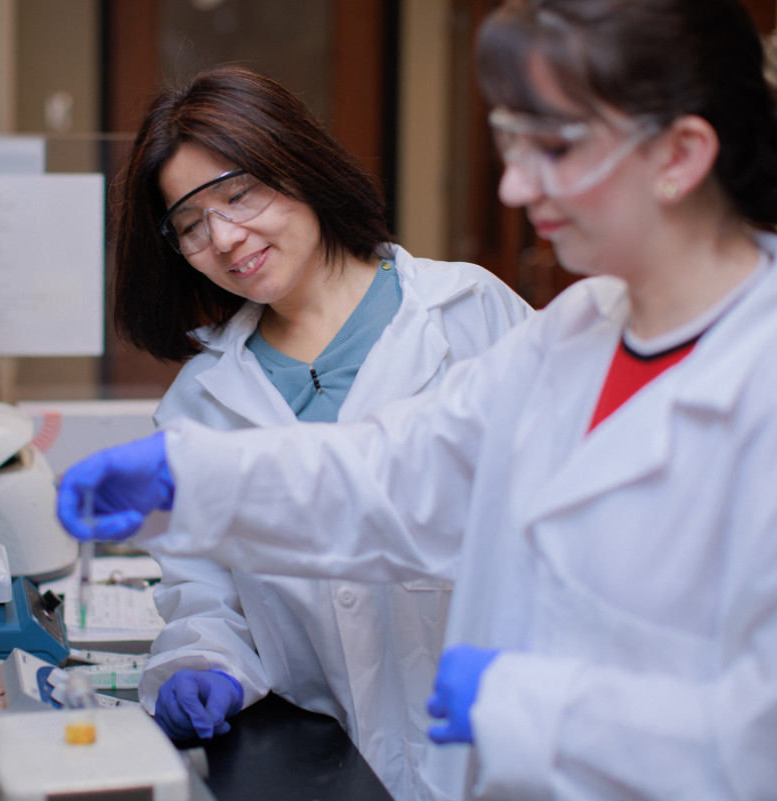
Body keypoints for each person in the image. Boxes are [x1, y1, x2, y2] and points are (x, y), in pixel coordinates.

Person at [60, 2, 777, 800]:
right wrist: (192, 481)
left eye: (551, 145)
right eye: (512, 143)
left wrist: (532, 707)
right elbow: (403, 471)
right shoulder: (579, 333)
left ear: (682, 153)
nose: (515, 185)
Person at [109, 64, 532, 801]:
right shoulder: (202, 403)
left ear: (298, 163)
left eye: (238, 193)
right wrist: (201, 662)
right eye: (189, 224)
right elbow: (206, 598)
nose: (225, 237)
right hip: (333, 768)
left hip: (502, 754)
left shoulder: (469, 313)